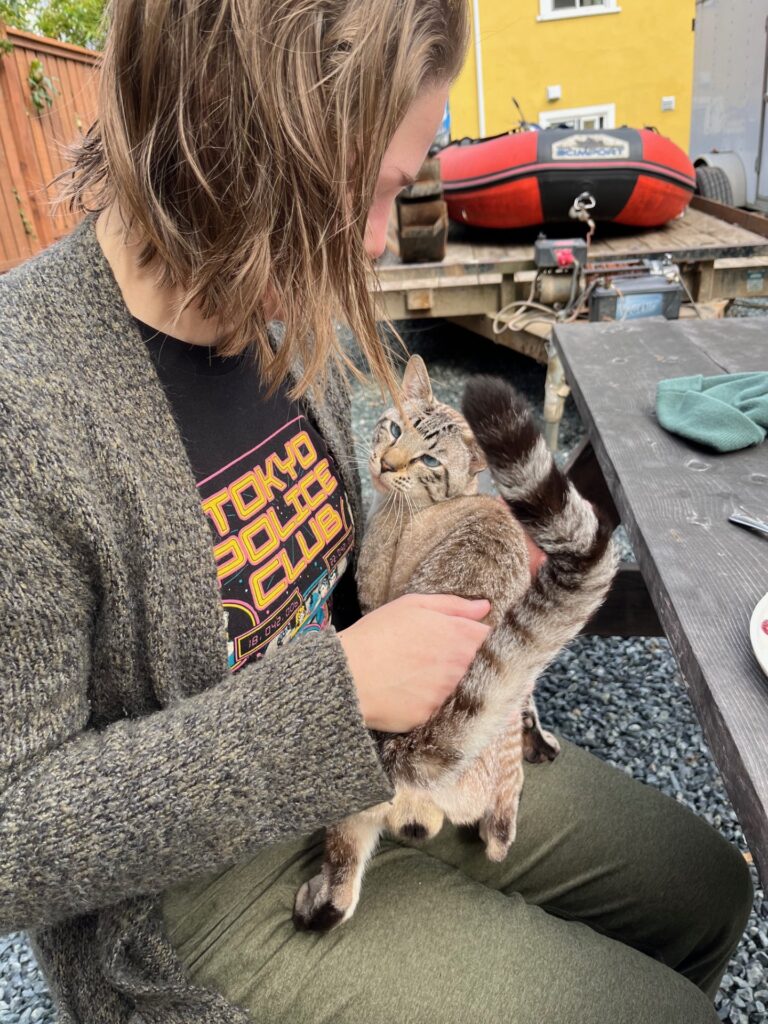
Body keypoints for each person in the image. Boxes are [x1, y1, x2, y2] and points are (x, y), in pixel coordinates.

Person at [0, 1, 752, 1021]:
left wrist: (456, 574)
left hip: (375, 759)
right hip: (193, 895)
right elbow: (14, 837)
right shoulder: (26, 400)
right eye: (374, 192)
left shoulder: (270, 307)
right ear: (249, 145)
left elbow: (321, 588)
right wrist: (336, 693)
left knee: (708, 888)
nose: (383, 242)